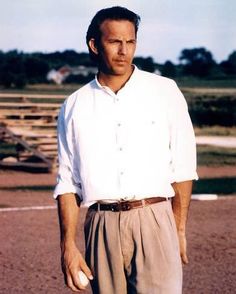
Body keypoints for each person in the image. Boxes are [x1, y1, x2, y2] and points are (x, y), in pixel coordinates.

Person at [54, 6, 198, 294]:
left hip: (154, 220)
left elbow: (182, 166)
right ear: (94, 45)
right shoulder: (74, 105)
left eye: (130, 41)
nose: (123, 50)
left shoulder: (165, 91)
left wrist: (179, 229)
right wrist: (68, 246)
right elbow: (68, 182)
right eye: (114, 41)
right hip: (100, 225)